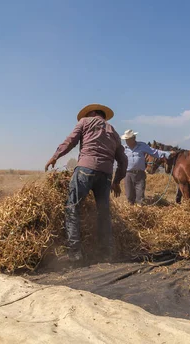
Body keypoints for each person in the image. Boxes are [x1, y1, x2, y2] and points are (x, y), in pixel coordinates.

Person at [45, 104, 128, 263]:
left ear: (93, 113)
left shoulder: (84, 122)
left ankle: (75, 253)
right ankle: (106, 253)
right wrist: (117, 181)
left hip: (85, 169)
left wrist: (56, 156)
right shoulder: (114, 132)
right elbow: (123, 160)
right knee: (103, 213)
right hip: (105, 174)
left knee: (72, 207)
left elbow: (70, 141)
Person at [121, 130, 171, 205]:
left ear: (134, 138)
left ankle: (139, 210)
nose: (127, 141)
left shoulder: (142, 146)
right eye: (126, 139)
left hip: (139, 174)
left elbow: (154, 152)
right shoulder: (123, 149)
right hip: (128, 174)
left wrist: (167, 154)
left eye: (128, 139)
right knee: (129, 196)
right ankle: (131, 211)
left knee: (140, 196)